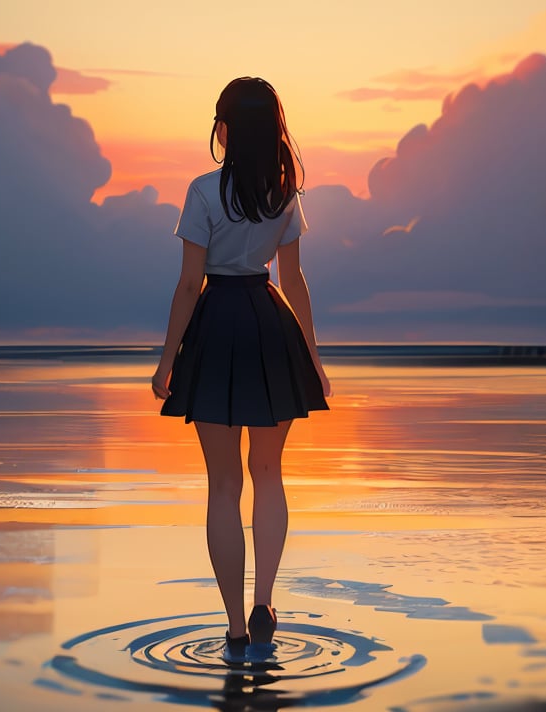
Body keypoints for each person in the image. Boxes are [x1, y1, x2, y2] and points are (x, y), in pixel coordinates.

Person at [151, 77, 331, 658]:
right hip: (269, 324)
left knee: (223, 485)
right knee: (269, 476)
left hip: (217, 328)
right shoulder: (284, 193)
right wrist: (314, 357)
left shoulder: (203, 191)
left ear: (225, 127)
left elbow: (188, 283)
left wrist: (166, 361)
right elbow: (295, 282)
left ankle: (233, 628)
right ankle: (264, 602)